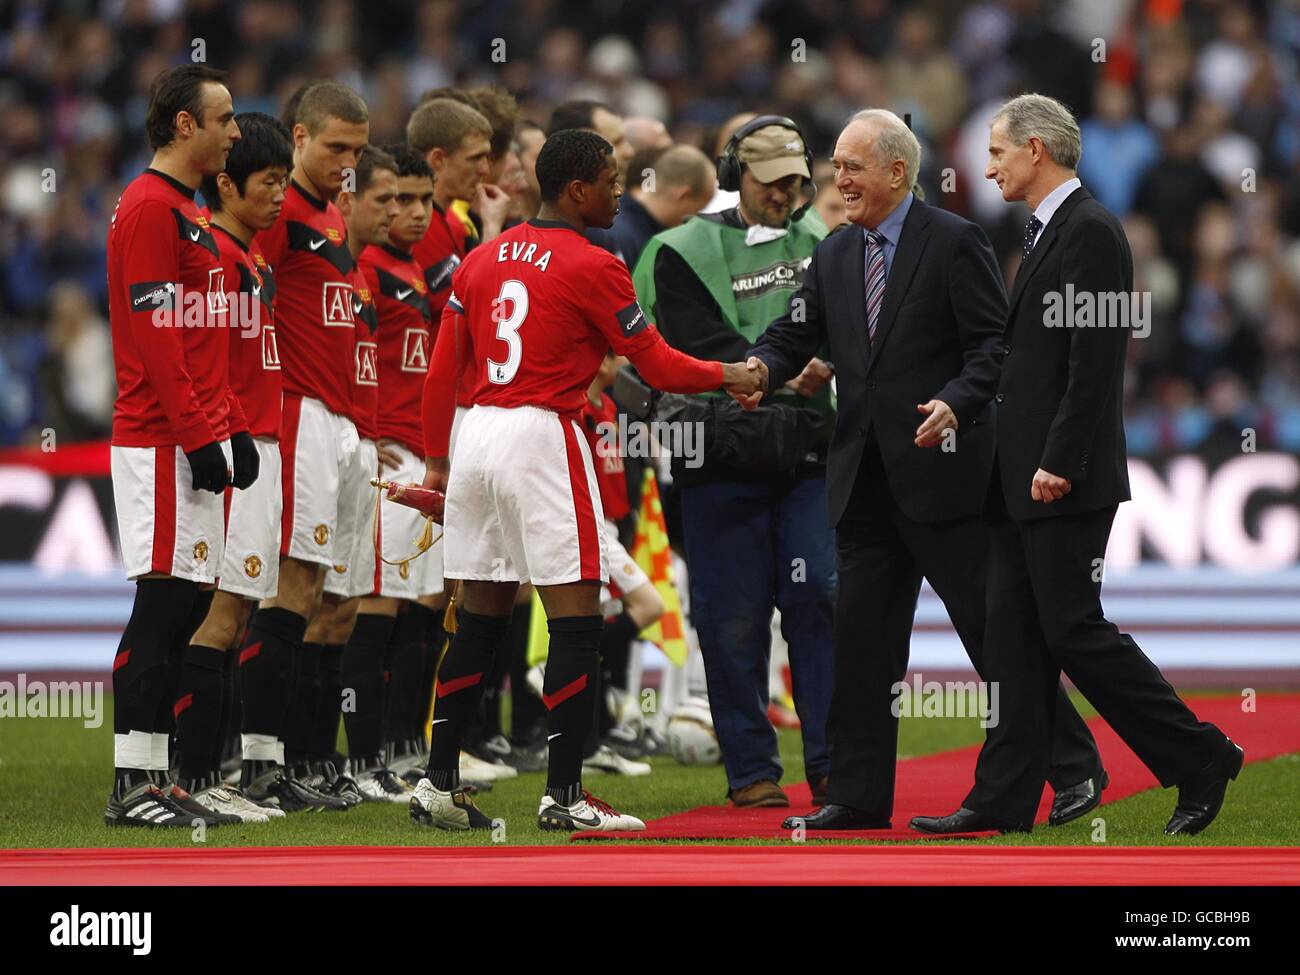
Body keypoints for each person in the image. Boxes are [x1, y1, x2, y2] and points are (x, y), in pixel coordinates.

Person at [744, 109, 1102, 831]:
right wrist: (758, 367)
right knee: (863, 641)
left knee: (993, 634)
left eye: (850, 167)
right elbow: (796, 330)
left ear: (898, 173)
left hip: (951, 478)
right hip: (864, 479)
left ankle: (1075, 765)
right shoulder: (837, 252)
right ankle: (857, 795)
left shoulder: (955, 241)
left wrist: (955, 404)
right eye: (834, 168)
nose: (836, 181)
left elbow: (991, 352)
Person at [410, 129, 765, 832]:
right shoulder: (595, 261)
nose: (619, 191)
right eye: (613, 178)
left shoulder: (480, 260)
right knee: (577, 620)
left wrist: (437, 464)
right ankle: (565, 795)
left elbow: (440, 369)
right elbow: (656, 363)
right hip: (542, 432)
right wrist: (730, 373)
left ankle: (437, 781)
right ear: (578, 189)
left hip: (475, 431)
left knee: (479, 619)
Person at [911, 94, 1242, 836]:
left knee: (1072, 630)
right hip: (1021, 474)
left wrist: (1060, 458)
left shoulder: (1089, 230)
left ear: (1038, 149)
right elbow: (1029, 358)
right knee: (1015, 644)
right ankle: (1001, 798)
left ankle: (1201, 754)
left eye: (997, 150)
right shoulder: (1054, 229)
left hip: (1063, 476)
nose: (986, 164)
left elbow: (1095, 364)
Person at [633, 115, 835, 809]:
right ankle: (751, 769)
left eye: (795, 183)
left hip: (810, 457)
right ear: (733, 176)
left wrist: (802, 366)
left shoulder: (830, 244)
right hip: (718, 459)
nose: (783, 195)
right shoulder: (676, 249)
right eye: (770, 181)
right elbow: (689, 344)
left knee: (816, 600)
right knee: (730, 617)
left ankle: (833, 766)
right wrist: (783, 372)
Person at [104, 64, 245, 828]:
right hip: (160, 438)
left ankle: (156, 779)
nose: (233, 131)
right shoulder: (151, 209)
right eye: (222, 118)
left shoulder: (183, 209)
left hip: (190, 432)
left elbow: (200, 339)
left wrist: (228, 429)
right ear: (184, 125)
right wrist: (198, 437)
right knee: (159, 606)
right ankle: (129, 785)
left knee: (186, 604)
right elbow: (158, 343)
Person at [238, 81, 371, 812]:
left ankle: (300, 759)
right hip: (296, 414)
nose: (347, 163)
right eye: (335, 147)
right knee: (287, 591)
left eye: (356, 150)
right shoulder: (279, 210)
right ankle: (258, 759)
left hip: (338, 418)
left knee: (320, 596)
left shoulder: (327, 212)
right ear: (297, 137)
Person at [184, 111, 295, 822]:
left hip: (264, 439)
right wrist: (228, 435)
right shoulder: (217, 256)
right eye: (268, 182)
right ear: (226, 184)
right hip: (239, 444)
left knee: (238, 610)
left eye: (286, 182)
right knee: (218, 615)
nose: (280, 196)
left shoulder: (250, 256)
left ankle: (209, 771)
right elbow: (201, 359)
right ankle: (194, 776)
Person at [349, 143, 443, 799]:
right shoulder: (367, 268)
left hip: (416, 449)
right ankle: (363, 757)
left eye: (421, 201)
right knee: (374, 607)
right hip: (384, 450)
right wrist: (365, 423)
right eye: (397, 199)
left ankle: (405, 746)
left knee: (422, 605)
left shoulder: (412, 267)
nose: (408, 212)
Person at [610, 144, 714, 270]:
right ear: (683, 196)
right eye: (699, 209)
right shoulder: (622, 239)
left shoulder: (615, 221)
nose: (694, 219)